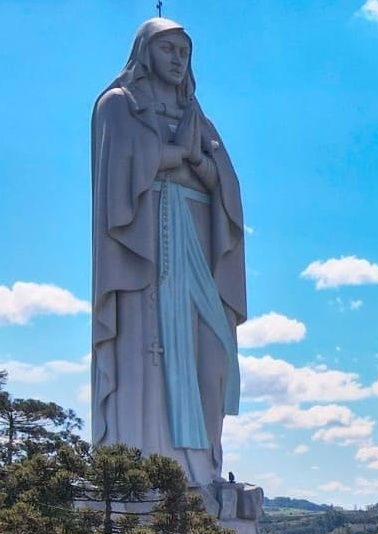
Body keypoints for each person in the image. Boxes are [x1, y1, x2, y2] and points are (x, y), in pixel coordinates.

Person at [91, 18, 246, 487]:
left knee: (212, 353)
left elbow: (229, 186)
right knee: (145, 349)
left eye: (185, 52)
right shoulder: (120, 104)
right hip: (144, 245)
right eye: (168, 49)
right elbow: (120, 168)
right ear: (144, 53)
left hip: (198, 235)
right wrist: (176, 154)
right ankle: (141, 469)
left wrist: (195, 158)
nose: (179, 60)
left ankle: (201, 471)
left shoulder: (199, 116)